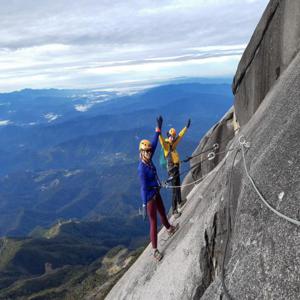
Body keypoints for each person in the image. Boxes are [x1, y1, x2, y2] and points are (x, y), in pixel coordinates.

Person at [138, 116, 178, 261]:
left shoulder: (148, 159)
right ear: (141, 153)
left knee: (162, 212)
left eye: (149, 151)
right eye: (146, 151)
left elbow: (154, 144)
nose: (149, 153)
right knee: (154, 222)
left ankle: (169, 228)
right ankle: (154, 250)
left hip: (156, 192)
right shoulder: (142, 169)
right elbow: (143, 187)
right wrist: (143, 204)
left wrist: (158, 129)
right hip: (149, 198)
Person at [159, 119, 191, 218]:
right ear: (168, 136)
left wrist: (186, 127)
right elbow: (160, 140)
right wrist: (159, 130)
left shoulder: (173, 144)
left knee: (178, 186)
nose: (172, 138)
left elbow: (180, 136)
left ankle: (180, 202)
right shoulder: (166, 146)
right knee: (174, 190)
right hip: (172, 171)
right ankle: (174, 211)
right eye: (171, 136)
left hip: (176, 168)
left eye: (173, 136)